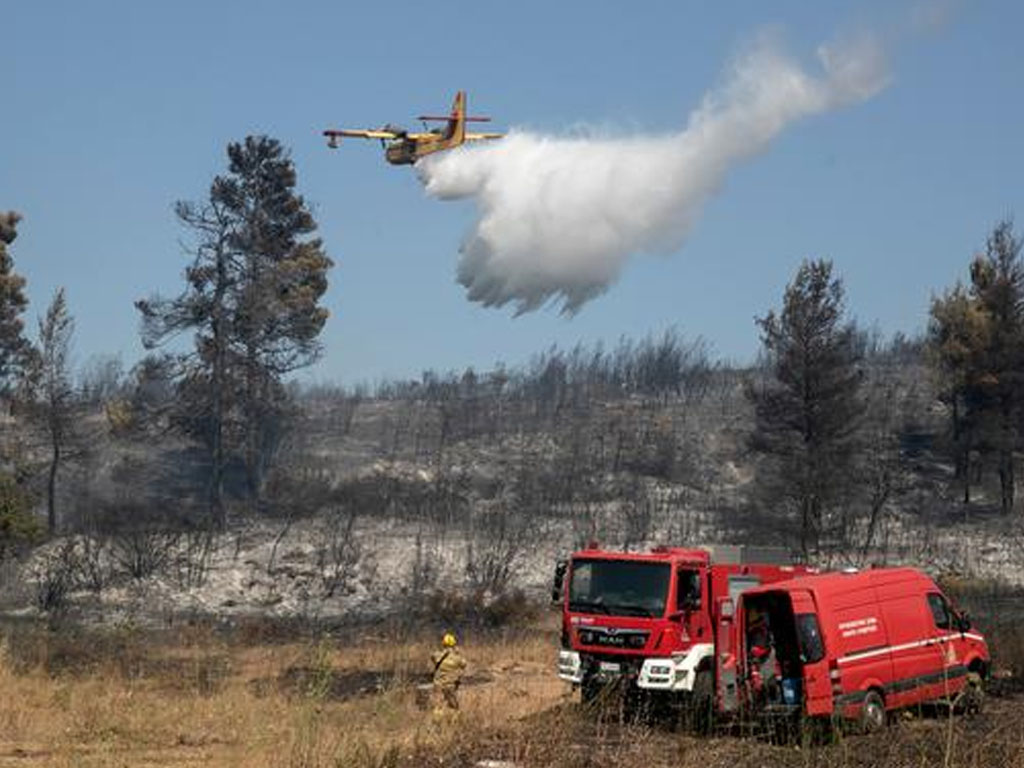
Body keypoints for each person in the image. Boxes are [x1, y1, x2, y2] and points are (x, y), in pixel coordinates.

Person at [430, 631, 467, 713]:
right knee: (454, 707)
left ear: (443, 644)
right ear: (454, 644)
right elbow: (464, 664)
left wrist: (441, 651)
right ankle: (453, 723)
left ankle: (437, 722)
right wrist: (457, 653)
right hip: (450, 685)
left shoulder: (438, 655)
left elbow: (432, 657)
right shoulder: (457, 658)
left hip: (438, 685)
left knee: (438, 707)